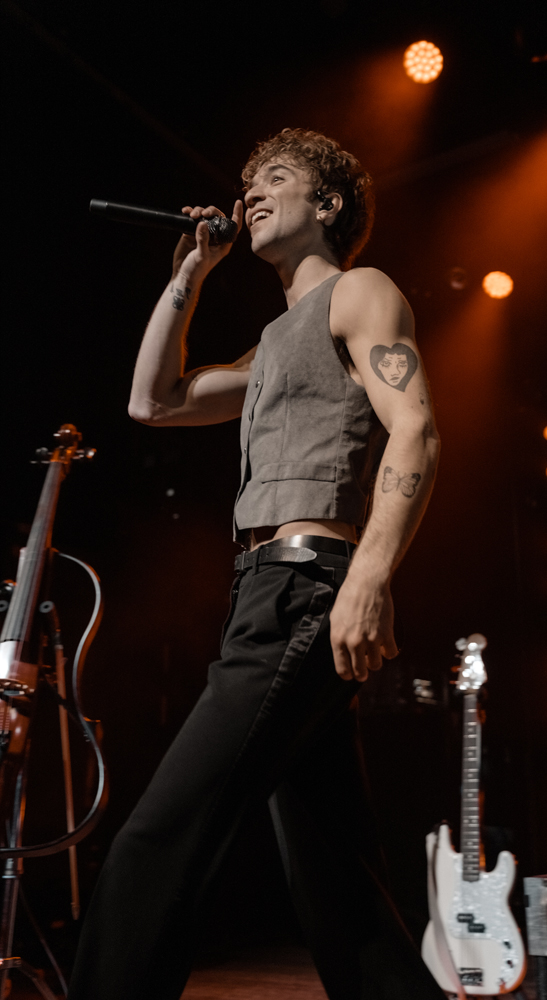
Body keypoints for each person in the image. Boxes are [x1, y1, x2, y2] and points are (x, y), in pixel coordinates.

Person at [68, 128, 441, 1000]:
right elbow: (152, 402)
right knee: (337, 878)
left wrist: (369, 576)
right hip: (266, 590)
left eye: (275, 178)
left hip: (305, 587)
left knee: (157, 839)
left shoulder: (359, 290)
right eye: (247, 184)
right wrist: (190, 274)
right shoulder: (274, 341)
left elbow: (416, 428)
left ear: (328, 204)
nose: (250, 195)